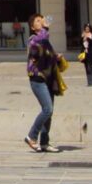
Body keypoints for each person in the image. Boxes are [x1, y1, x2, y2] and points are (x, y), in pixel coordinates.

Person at [24, 13, 63, 153]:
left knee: (49, 112)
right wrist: (45, 29)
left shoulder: (46, 41)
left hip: (49, 79)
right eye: (38, 21)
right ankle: (31, 136)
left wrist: (57, 57)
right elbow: (37, 46)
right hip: (37, 79)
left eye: (42, 20)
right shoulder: (33, 39)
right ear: (32, 27)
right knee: (47, 109)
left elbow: (48, 54)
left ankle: (45, 142)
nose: (41, 22)